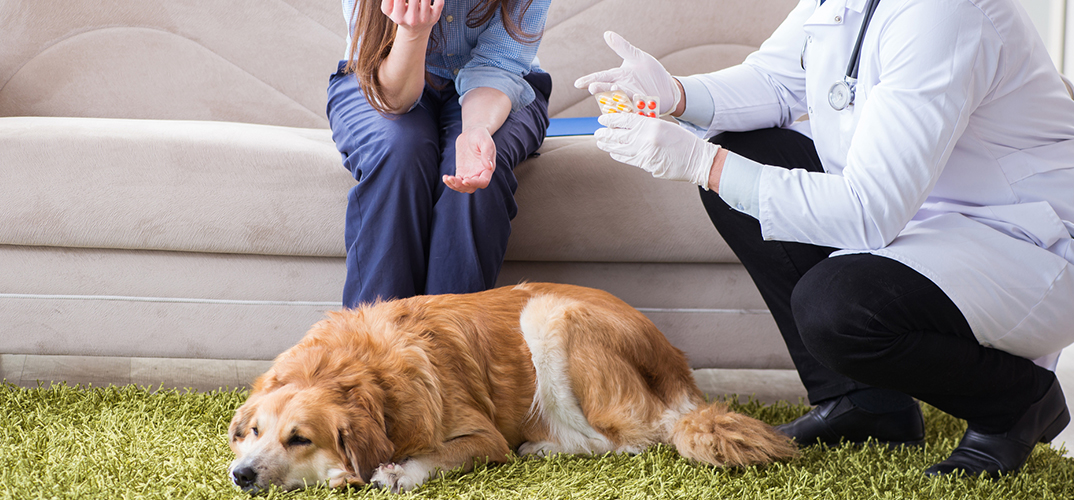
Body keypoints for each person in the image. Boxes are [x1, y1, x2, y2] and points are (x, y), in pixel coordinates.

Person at [576, 0, 1074, 478]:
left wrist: (704, 164)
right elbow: (774, 79)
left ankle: (1015, 403)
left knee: (836, 307)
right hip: (921, 211)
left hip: (1022, 238)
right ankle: (864, 402)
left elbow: (869, 211)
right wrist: (676, 93)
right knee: (748, 154)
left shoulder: (943, 13)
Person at [328, 0, 552, 308]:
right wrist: (413, 33)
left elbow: (501, 64)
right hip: (385, 76)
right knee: (398, 151)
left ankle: (448, 350)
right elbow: (396, 102)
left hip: (499, 85)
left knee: (474, 176)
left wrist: (476, 129)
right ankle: (373, 348)